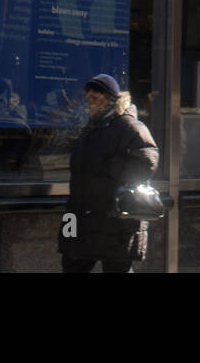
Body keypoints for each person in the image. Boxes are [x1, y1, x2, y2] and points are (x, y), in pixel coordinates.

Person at [58, 74, 159, 273]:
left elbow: (147, 163)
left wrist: (111, 165)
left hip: (114, 221)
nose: (90, 104)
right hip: (84, 218)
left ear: (110, 100)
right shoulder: (92, 128)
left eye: (95, 98)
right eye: (88, 98)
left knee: (116, 267)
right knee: (73, 265)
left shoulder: (129, 127)